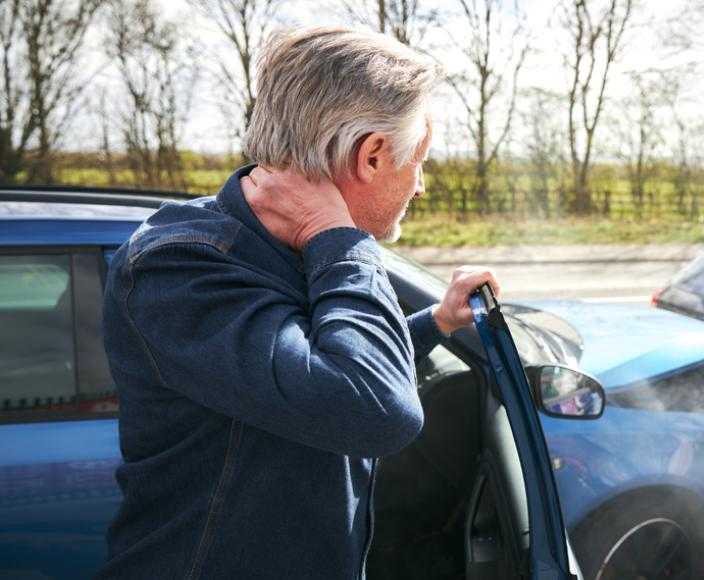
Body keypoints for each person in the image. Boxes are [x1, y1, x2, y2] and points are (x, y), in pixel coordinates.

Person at [98, 28, 498, 579]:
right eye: (419, 161)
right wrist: (339, 236)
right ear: (373, 156)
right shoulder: (180, 267)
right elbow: (375, 410)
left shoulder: (285, 246)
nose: (421, 186)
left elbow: (315, 368)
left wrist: (433, 322)